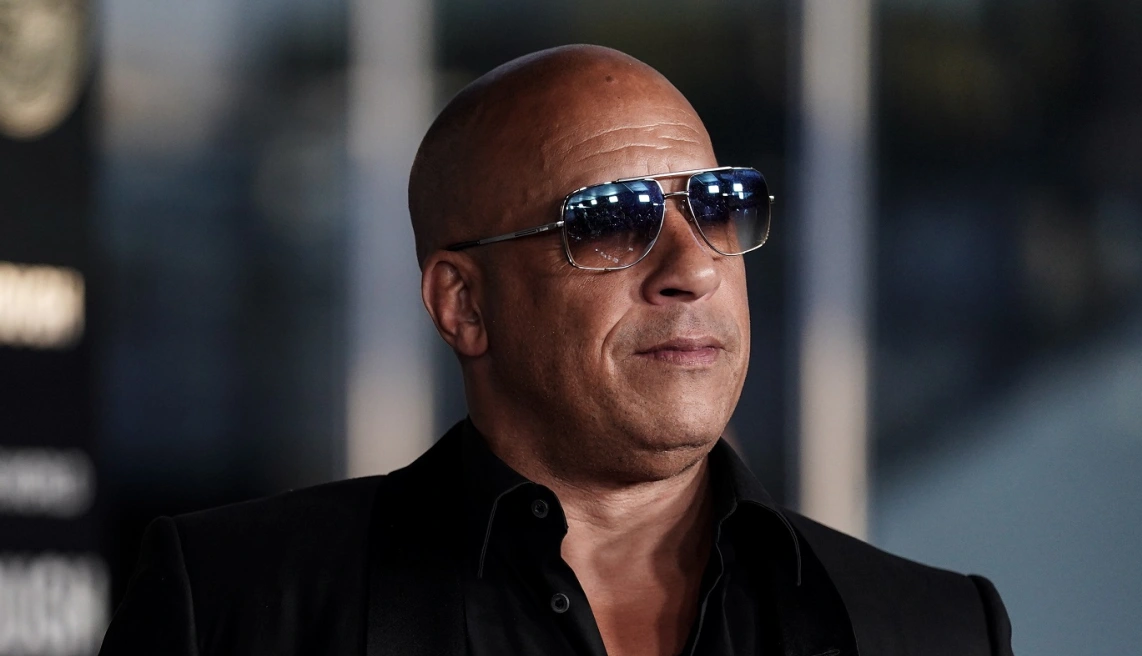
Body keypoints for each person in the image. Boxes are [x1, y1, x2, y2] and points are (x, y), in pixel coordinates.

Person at [99, 44, 1013, 656]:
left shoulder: (937, 630)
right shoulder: (234, 607)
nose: (694, 268)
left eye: (716, 207)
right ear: (463, 303)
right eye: (612, 220)